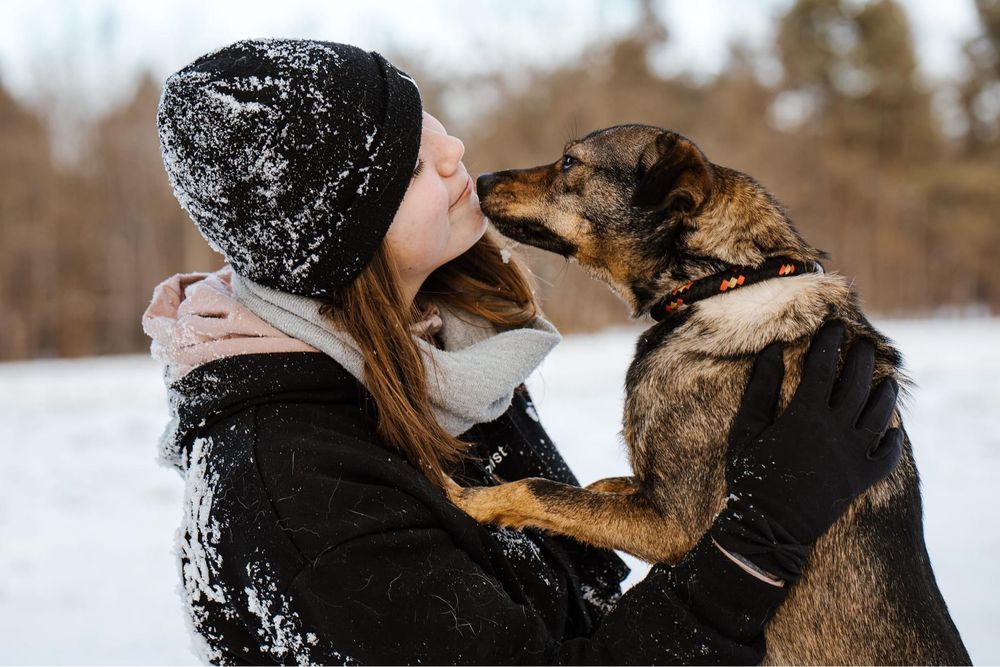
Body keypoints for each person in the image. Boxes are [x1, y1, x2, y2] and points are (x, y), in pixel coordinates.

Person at [142, 39, 902, 665]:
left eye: (431, 120)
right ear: (341, 240)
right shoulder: (296, 489)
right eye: (410, 163)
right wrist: (760, 537)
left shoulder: (449, 355)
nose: (454, 152)